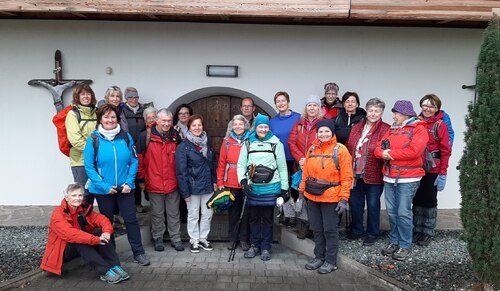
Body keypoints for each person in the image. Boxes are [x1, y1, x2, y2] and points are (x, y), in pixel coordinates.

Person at [83, 104, 150, 266]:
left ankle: (139, 252)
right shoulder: (94, 139)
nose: (110, 120)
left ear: (117, 119)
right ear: (101, 119)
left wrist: (129, 181)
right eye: (106, 117)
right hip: (103, 190)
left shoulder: (126, 137)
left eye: (113, 117)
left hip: (125, 188)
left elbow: (134, 160)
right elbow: (89, 167)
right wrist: (104, 186)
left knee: (131, 220)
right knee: (106, 222)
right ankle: (111, 256)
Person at [40, 184, 129, 284]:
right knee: (79, 241)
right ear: (66, 198)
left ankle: (114, 265)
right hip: (63, 252)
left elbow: (101, 219)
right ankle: (105, 271)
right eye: (74, 195)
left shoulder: (83, 208)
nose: (77, 198)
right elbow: (70, 235)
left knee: (101, 231)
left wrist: (107, 232)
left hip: (81, 243)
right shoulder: (58, 213)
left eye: (80, 195)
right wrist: (96, 240)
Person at [374, 100, 428, 261]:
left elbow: (414, 151)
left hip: (408, 178)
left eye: (396, 112)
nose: (394, 116)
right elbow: (378, 148)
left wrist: (389, 154)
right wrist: (383, 153)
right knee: (391, 212)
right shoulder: (392, 129)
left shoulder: (419, 129)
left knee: (403, 213)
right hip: (389, 177)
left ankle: (405, 245)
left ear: (405, 114)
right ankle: (394, 241)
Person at [300, 119, 353, 274]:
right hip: (312, 196)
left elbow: (347, 176)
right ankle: (319, 257)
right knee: (316, 229)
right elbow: (306, 173)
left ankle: (330, 261)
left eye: (326, 131)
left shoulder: (340, 150)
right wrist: (302, 193)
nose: (323, 134)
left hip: (331, 197)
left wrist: (344, 198)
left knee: (329, 230)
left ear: (332, 132)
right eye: (320, 131)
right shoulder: (312, 149)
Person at [237, 113, 289, 261]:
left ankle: (266, 247)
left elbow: (283, 168)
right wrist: (243, 181)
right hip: (252, 188)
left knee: (267, 218)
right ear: (256, 127)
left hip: (271, 187)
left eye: (266, 126)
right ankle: (254, 246)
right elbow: (241, 165)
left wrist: (284, 189)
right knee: (253, 218)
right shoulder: (247, 143)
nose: (263, 129)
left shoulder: (276, 144)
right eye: (261, 126)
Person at [136, 109, 184, 252]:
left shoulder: (176, 136)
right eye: (164, 120)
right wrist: (141, 179)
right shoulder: (145, 136)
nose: (167, 124)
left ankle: (176, 238)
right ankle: (158, 238)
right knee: (157, 213)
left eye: (169, 121)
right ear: (157, 120)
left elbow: (181, 160)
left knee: (174, 213)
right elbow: (139, 160)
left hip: (172, 182)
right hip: (154, 181)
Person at [345, 98, 390, 245]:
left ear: (381, 112)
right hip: (355, 173)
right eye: (371, 110)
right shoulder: (357, 127)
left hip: (374, 173)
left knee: (372, 204)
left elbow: (384, 149)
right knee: (355, 203)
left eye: (377, 111)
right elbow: (349, 146)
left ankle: (372, 232)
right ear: (366, 111)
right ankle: (357, 230)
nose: (373, 113)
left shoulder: (386, 129)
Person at [413, 94, 452, 246]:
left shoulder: (440, 125)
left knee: (429, 199)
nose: (427, 109)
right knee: (416, 198)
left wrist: (443, 172)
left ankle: (427, 231)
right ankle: (416, 229)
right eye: (425, 105)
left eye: (431, 106)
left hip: (433, 169)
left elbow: (445, 150)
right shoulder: (416, 122)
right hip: (416, 167)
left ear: (437, 108)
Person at [175, 114, 217, 253]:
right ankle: (194, 240)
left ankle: (203, 238)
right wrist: (185, 192)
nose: (197, 128)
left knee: (207, 214)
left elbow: (212, 164)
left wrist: (215, 181)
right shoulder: (183, 146)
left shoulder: (207, 142)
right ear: (189, 127)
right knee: (193, 214)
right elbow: (181, 171)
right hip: (192, 187)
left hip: (207, 185)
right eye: (194, 125)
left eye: (199, 125)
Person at [288, 94, 323, 239]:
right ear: (306, 107)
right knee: (300, 197)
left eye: (315, 105)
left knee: (314, 198)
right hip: (300, 166)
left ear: (318, 108)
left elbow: (325, 142)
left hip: (317, 167)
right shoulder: (299, 124)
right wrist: (301, 159)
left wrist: (309, 160)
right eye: (309, 105)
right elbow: (292, 142)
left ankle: (315, 229)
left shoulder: (323, 123)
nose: (312, 108)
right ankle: (302, 226)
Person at [216, 115, 251, 251]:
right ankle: (232, 238)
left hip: (246, 182)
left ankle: (244, 239)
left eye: (240, 124)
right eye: (235, 124)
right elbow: (222, 163)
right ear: (232, 126)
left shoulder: (250, 140)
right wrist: (220, 181)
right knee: (233, 213)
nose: (237, 127)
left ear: (245, 126)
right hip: (230, 182)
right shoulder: (227, 142)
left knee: (246, 212)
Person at [269, 91, 301, 227]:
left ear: (288, 102)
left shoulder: (298, 118)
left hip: (295, 159)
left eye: (283, 101)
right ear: (275, 105)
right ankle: (285, 213)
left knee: (294, 187)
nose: (281, 103)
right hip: (278, 160)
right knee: (282, 187)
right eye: (278, 102)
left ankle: (295, 215)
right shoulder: (272, 121)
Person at [65, 83, 97, 205]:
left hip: (96, 160)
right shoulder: (73, 114)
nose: (86, 96)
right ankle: (80, 222)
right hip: (80, 161)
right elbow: (75, 140)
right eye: (82, 94)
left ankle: (89, 221)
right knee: (82, 194)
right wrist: (96, 150)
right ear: (77, 97)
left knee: (95, 192)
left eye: (88, 93)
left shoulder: (95, 113)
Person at [122, 87, 147, 213]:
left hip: (141, 147)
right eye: (130, 97)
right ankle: (128, 205)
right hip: (127, 147)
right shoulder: (122, 111)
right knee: (128, 175)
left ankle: (138, 203)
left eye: (135, 97)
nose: (133, 99)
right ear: (126, 99)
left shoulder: (143, 110)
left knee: (139, 175)